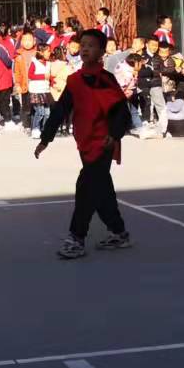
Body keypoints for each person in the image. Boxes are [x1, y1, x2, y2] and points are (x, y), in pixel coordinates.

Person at [36, 29, 133, 259]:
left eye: (91, 45)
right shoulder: (74, 80)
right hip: (85, 142)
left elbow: (122, 114)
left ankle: (76, 238)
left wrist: (114, 134)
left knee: (86, 188)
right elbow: (60, 111)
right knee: (102, 190)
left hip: (104, 143)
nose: (86, 48)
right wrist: (46, 139)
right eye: (83, 45)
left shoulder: (106, 80)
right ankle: (119, 233)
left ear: (101, 51)